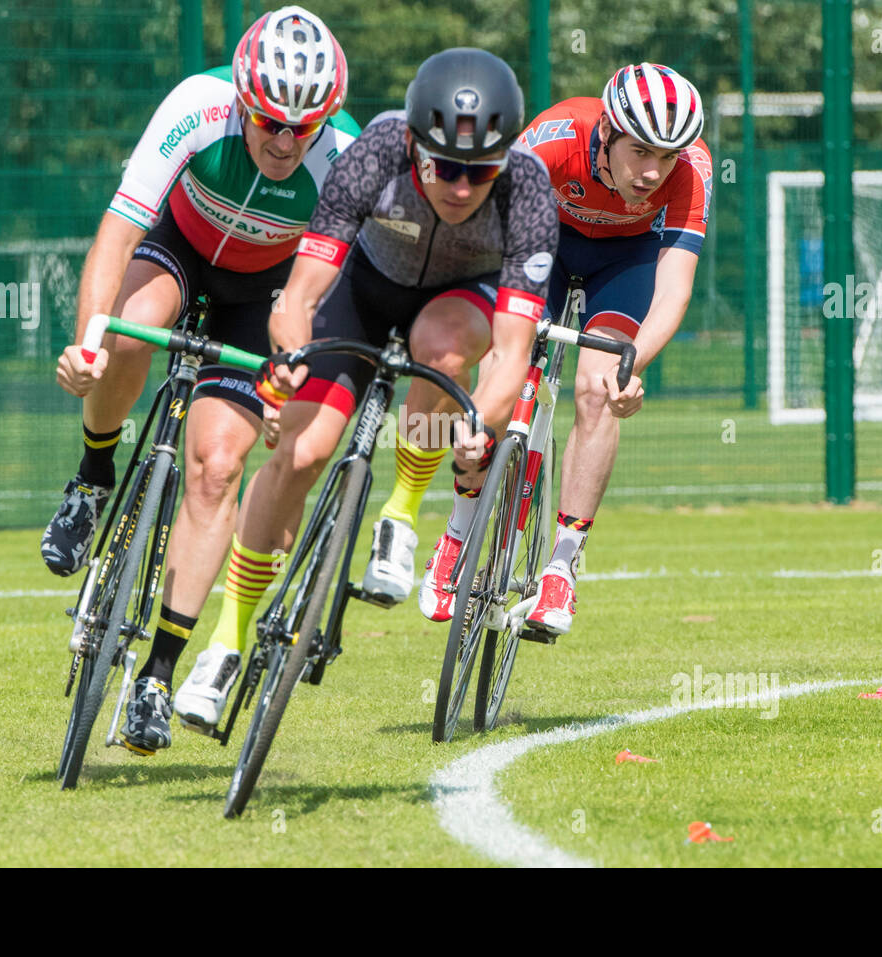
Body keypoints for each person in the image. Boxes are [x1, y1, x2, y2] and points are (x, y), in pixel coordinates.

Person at [170, 48, 560, 733]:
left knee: (439, 347)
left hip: (458, 302)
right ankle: (225, 642)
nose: (462, 187)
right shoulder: (378, 147)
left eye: (479, 171)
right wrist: (289, 356)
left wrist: (479, 423)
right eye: (445, 167)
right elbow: (299, 294)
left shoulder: (527, 190)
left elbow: (511, 351)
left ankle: (400, 516)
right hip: (364, 288)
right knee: (300, 454)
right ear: (413, 145)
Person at [41, 6, 359, 755]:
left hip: (267, 296)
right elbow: (117, 235)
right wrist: (87, 341)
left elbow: (327, 295)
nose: (285, 141)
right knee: (129, 332)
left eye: (302, 128)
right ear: (244, 102)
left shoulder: (341, 159)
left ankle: (157, 673)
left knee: (217, 468)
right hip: (179, 248)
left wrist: (291, 387)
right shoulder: (196, 104)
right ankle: (92, 479)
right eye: (270, 122)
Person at [417, 62, 713, 635]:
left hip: (625, 263)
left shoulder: (693, 171)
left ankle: (562, 564)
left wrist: (632, 368)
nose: (653, 172)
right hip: (542, 245)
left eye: (667, 157)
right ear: (606, 131)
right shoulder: (555, 139)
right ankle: (457, 531)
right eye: (641, 151)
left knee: (597, 390)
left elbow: (674, 292)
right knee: (506, 367)